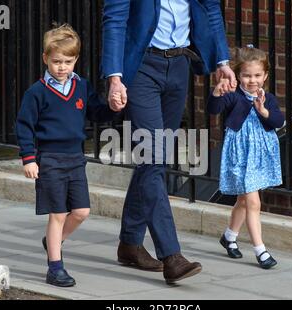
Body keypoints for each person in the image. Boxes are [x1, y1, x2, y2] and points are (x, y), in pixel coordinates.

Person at [102, 0, 238, 284]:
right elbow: (114, 20)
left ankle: (129, 243)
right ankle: (171, 256)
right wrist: (115, 78)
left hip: (179, 66)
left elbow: (211, 9)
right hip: (141, 69)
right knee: (153, 158)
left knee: (155, 161)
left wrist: (222, 61)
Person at [15, 23, 123, 287]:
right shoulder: (37, 92)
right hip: (49, 159)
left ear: (75, 60)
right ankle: (55, 267)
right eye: (56, 61)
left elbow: (97, 113)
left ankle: (53, 240)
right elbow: (24, 125)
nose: (62, 67)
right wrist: (29, 158)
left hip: (75, 158)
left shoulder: (81, 86)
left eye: (67, 61)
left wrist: (113, 107)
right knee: (58, 214)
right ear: (45, 59)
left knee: (82, 211)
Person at [207, 45, 284, 269]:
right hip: (240, 154)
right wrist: (217, 92)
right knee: (253, 201)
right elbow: (214, 109)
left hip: (260, 156)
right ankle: (261, 251)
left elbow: (278, 122)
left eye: (258, 75)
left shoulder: (267, 98)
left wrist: (264, 111)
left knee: (243, 200)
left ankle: (229, 237)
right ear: (238, 75)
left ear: (265, 76)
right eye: (247, 75)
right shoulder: (233, 97)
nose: (253, 80)